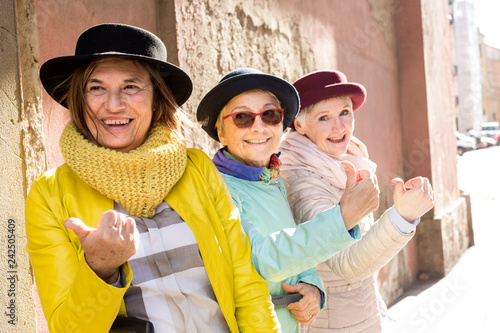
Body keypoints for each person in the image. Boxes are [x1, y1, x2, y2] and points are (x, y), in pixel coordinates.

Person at [25, 24, 280, 333]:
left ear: (157, 99)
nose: (114, 104)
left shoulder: (196, 169)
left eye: (131, 87)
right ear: (78, 99)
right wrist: (100, 269)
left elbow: (247, 286)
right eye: (96, 88)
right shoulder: (50, 195)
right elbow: (68, 327)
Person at [196, 68, 380, 332]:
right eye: (243, 117)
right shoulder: (219, 188)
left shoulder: (274, 180)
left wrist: (313, 288)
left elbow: (292, 243)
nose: (258, 126)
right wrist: (343, 218)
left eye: (269, 115)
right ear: (221, 132)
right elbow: (262, 259)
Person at [279, 70, 435, 332]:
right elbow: (345, 265)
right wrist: (402, 218)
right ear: (300, 125)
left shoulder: (347, 160)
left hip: (362, 314)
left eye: (344, 112)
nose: (339, 127)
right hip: (334, 324)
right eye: (323, 117)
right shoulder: (303, 181)